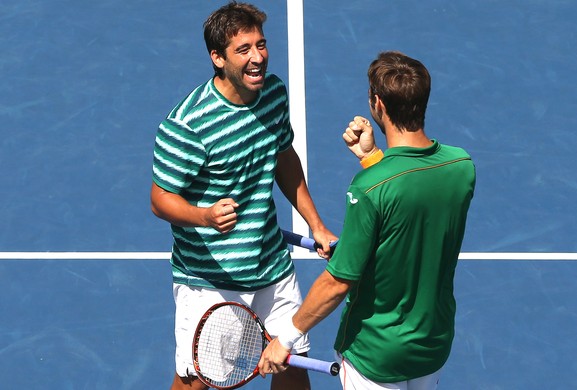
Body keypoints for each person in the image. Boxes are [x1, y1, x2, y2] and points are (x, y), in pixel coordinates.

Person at [259, 51, 476, 390]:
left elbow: (338, 282)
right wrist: (373, 159)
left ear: (377, 103)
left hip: (376, 352)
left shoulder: (369, 188)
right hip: (432, 344)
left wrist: (284, 339)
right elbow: (409, 215)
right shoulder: (461, 167)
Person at [150, 2, 337, 389]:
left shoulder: (273, 93)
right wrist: (205, 216)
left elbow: (284, 158)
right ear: (217, 58)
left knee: (291, 364)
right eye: (244, 49)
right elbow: (160, 199)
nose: (258, 58)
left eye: (261, 45)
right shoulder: (187, 124)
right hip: (210, 277)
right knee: (196, 382)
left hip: (270, 262)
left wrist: (315, 226)